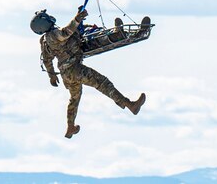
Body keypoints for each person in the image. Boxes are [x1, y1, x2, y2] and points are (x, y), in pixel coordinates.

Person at [33, 8, 146, 139]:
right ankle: (130, 105)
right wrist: (77, 19)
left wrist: (52, 75)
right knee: (103, 83)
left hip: (66, 75)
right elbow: (66, 32)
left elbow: (47, 60)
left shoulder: (44, 41)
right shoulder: (53, 35)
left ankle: (70, 127)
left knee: (74, 99)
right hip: (74, 69)